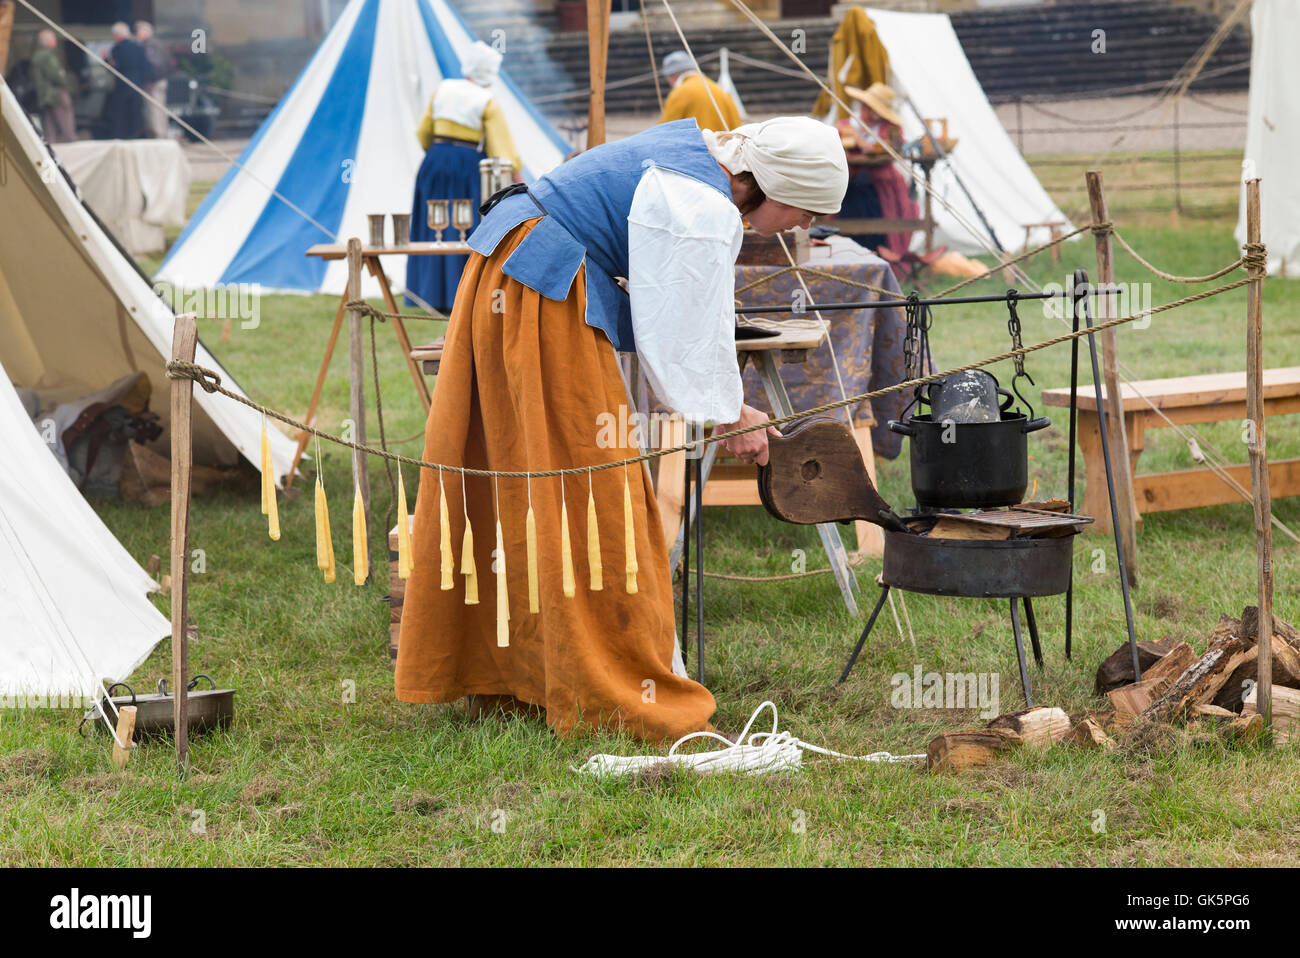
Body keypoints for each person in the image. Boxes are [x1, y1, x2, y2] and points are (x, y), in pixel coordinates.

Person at [395, 116, 848, 743]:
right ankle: (607, 690)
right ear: (774, 185)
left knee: (521, 482)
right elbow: (678, 327)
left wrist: (721, 397)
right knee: (588, 496)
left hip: (514, 276)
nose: (805, 225)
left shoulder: (692, 157)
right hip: (540, 292)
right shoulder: (699, 204)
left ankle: (513, 676)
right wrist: (727, 412)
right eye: (806, 210)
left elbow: (675, 296)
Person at [405, 41, 521, 313]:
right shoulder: (487, 101)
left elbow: (423, 133)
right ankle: (460, 290)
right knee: (463, 222)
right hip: (467, 165)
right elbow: (501, 150)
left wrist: (438, 155)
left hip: (434, 160)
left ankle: (427, 292)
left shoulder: (442, 89)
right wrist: (518, 175)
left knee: (432, 220)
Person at [835, 82, 919, 259]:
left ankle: (880, 260)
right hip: (851, 186)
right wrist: (856, 143)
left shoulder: (889, 128)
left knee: (881, 228)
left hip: (881, 187)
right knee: (849, 223)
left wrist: (865, 145)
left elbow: (894, 147)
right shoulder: (845, 126)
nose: (873, 115)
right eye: (870, 109)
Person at [657, 50, 740, 133]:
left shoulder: (679, 93)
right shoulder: (719, 90)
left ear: (674, 76)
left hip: (697, 145)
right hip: (723, 144)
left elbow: (664, 130)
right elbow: (737, 127)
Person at [103, 21, 153, 139]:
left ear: (117, 35)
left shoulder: (117, 49)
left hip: (122, 86)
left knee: (121, 115)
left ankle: (122, 138)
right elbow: (145, 66)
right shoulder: (138, 47)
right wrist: (145, 81)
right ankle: (136, 137)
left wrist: (105, 59)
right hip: (137, 85)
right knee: (136, 115)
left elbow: (113, 68)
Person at [30, 30, 76, 143]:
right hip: (55, 91)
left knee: (49, 119)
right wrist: (64, 80)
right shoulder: (48, 55)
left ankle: (51, 142)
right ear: (49, 41)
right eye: (53, 39)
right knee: (65, 116)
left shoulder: (37, 56)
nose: (55, 41)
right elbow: (56, 74)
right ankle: (71, 139)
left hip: (44, 93)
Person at [135, 21, 171, 139]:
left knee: (154, 110)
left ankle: (159, 135)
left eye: (138, 32)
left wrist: (150, 79)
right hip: (160, 79)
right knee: (160, 109)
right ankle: (162, 134)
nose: (137, 35)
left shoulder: (149, 45)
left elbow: (153, 63)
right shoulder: (157, 43)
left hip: (154, 82)